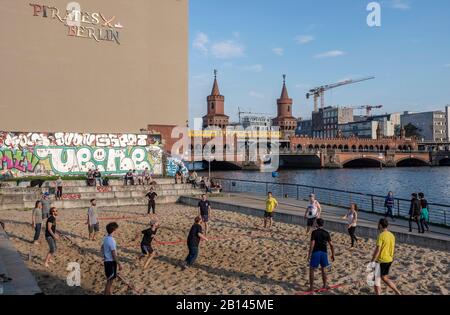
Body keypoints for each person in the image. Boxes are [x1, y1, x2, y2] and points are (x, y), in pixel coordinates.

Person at [371, 219, 401, 295]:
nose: (378, 225)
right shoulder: (391, 235)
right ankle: (397, 292)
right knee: (384, 278)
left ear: (380, 225)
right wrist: (391, 257)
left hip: (381, 260)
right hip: (389, 260)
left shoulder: (381, 235)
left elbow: (378, 250)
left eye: (378, 224)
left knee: (376, 279)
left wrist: (373, 261)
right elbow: (393, 248)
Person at [307, 218, 335, 292]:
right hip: (324, 253)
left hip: (316, 252)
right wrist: (333, 254)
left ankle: (311, 287)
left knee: (312, 270)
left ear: (317, 224)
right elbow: (331, 245)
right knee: (323, 269)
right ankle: (325, 284)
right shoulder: (326, 233)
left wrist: (309, 254)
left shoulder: (314, 232)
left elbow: (312, 244)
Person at [101, 222, 121, 295]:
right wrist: (119, 264)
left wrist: (104, 255)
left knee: (110, 280)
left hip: (107, 262)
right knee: (109, 281)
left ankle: (110, 293)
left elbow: (102, 247)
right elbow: (114, 254)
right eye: (117, 229)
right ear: (114, 230)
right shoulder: (112, 240)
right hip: (111, 263)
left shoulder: (106, 238)